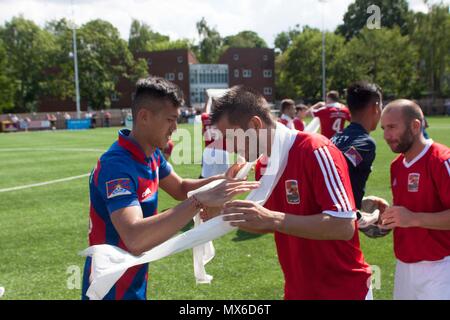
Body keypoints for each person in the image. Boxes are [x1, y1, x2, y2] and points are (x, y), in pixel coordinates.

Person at [81, 77, 258, 300]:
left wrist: (223, 178)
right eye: (170, 120)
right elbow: (134, 238)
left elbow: (181, 187)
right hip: (108, 289)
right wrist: (199, 201)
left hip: (131, 281)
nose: (175, 127)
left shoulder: (151, 153)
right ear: (144, 117)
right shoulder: (117, 166)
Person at [209, 86, 372, 300]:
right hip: (298, 292)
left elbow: (343, 225)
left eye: (230, 138)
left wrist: (274, 219)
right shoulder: (263, 165)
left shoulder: (316, 150)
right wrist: (221, 211)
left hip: (343, 291)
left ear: (254, 125)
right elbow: (265, 222)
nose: (228, 148)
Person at [380, 99, 450, 300]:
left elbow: (412, 217)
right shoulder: (397, 165)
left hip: (440, 268)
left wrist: (413, 218)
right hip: (404, 266)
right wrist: (387, 214)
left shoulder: (441, 160)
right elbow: (409, 212)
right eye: (384, 128)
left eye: (392, 127)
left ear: (415, 126)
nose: (386, 135)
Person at [331, 81, 389, 238]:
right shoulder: (365, 143)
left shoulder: (337, 136)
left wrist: (360, 200)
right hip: (339, 231)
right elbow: (333, 175)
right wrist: (366, 218)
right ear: (376, 107)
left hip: (328, 225)